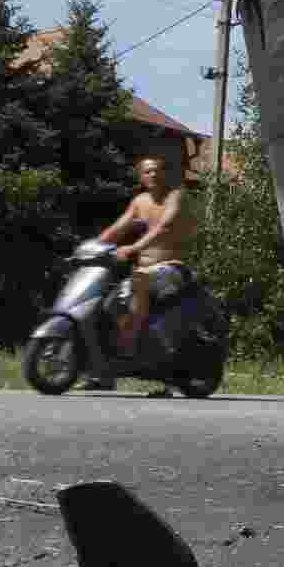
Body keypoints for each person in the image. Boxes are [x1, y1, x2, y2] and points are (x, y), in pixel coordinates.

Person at [81, 157, 198, 393]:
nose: (153, 174)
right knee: (108, 304)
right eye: (148, 171)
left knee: (139, 286)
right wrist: (88, 249)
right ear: (141, 177)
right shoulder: (139, 201)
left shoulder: (176, 196)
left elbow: (163, 226)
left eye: (157, 170)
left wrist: (134, 248)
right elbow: (117, 229)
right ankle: (104, 373)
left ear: (164, 173)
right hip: (142, 273)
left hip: (172, 268)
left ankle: (133, 352)